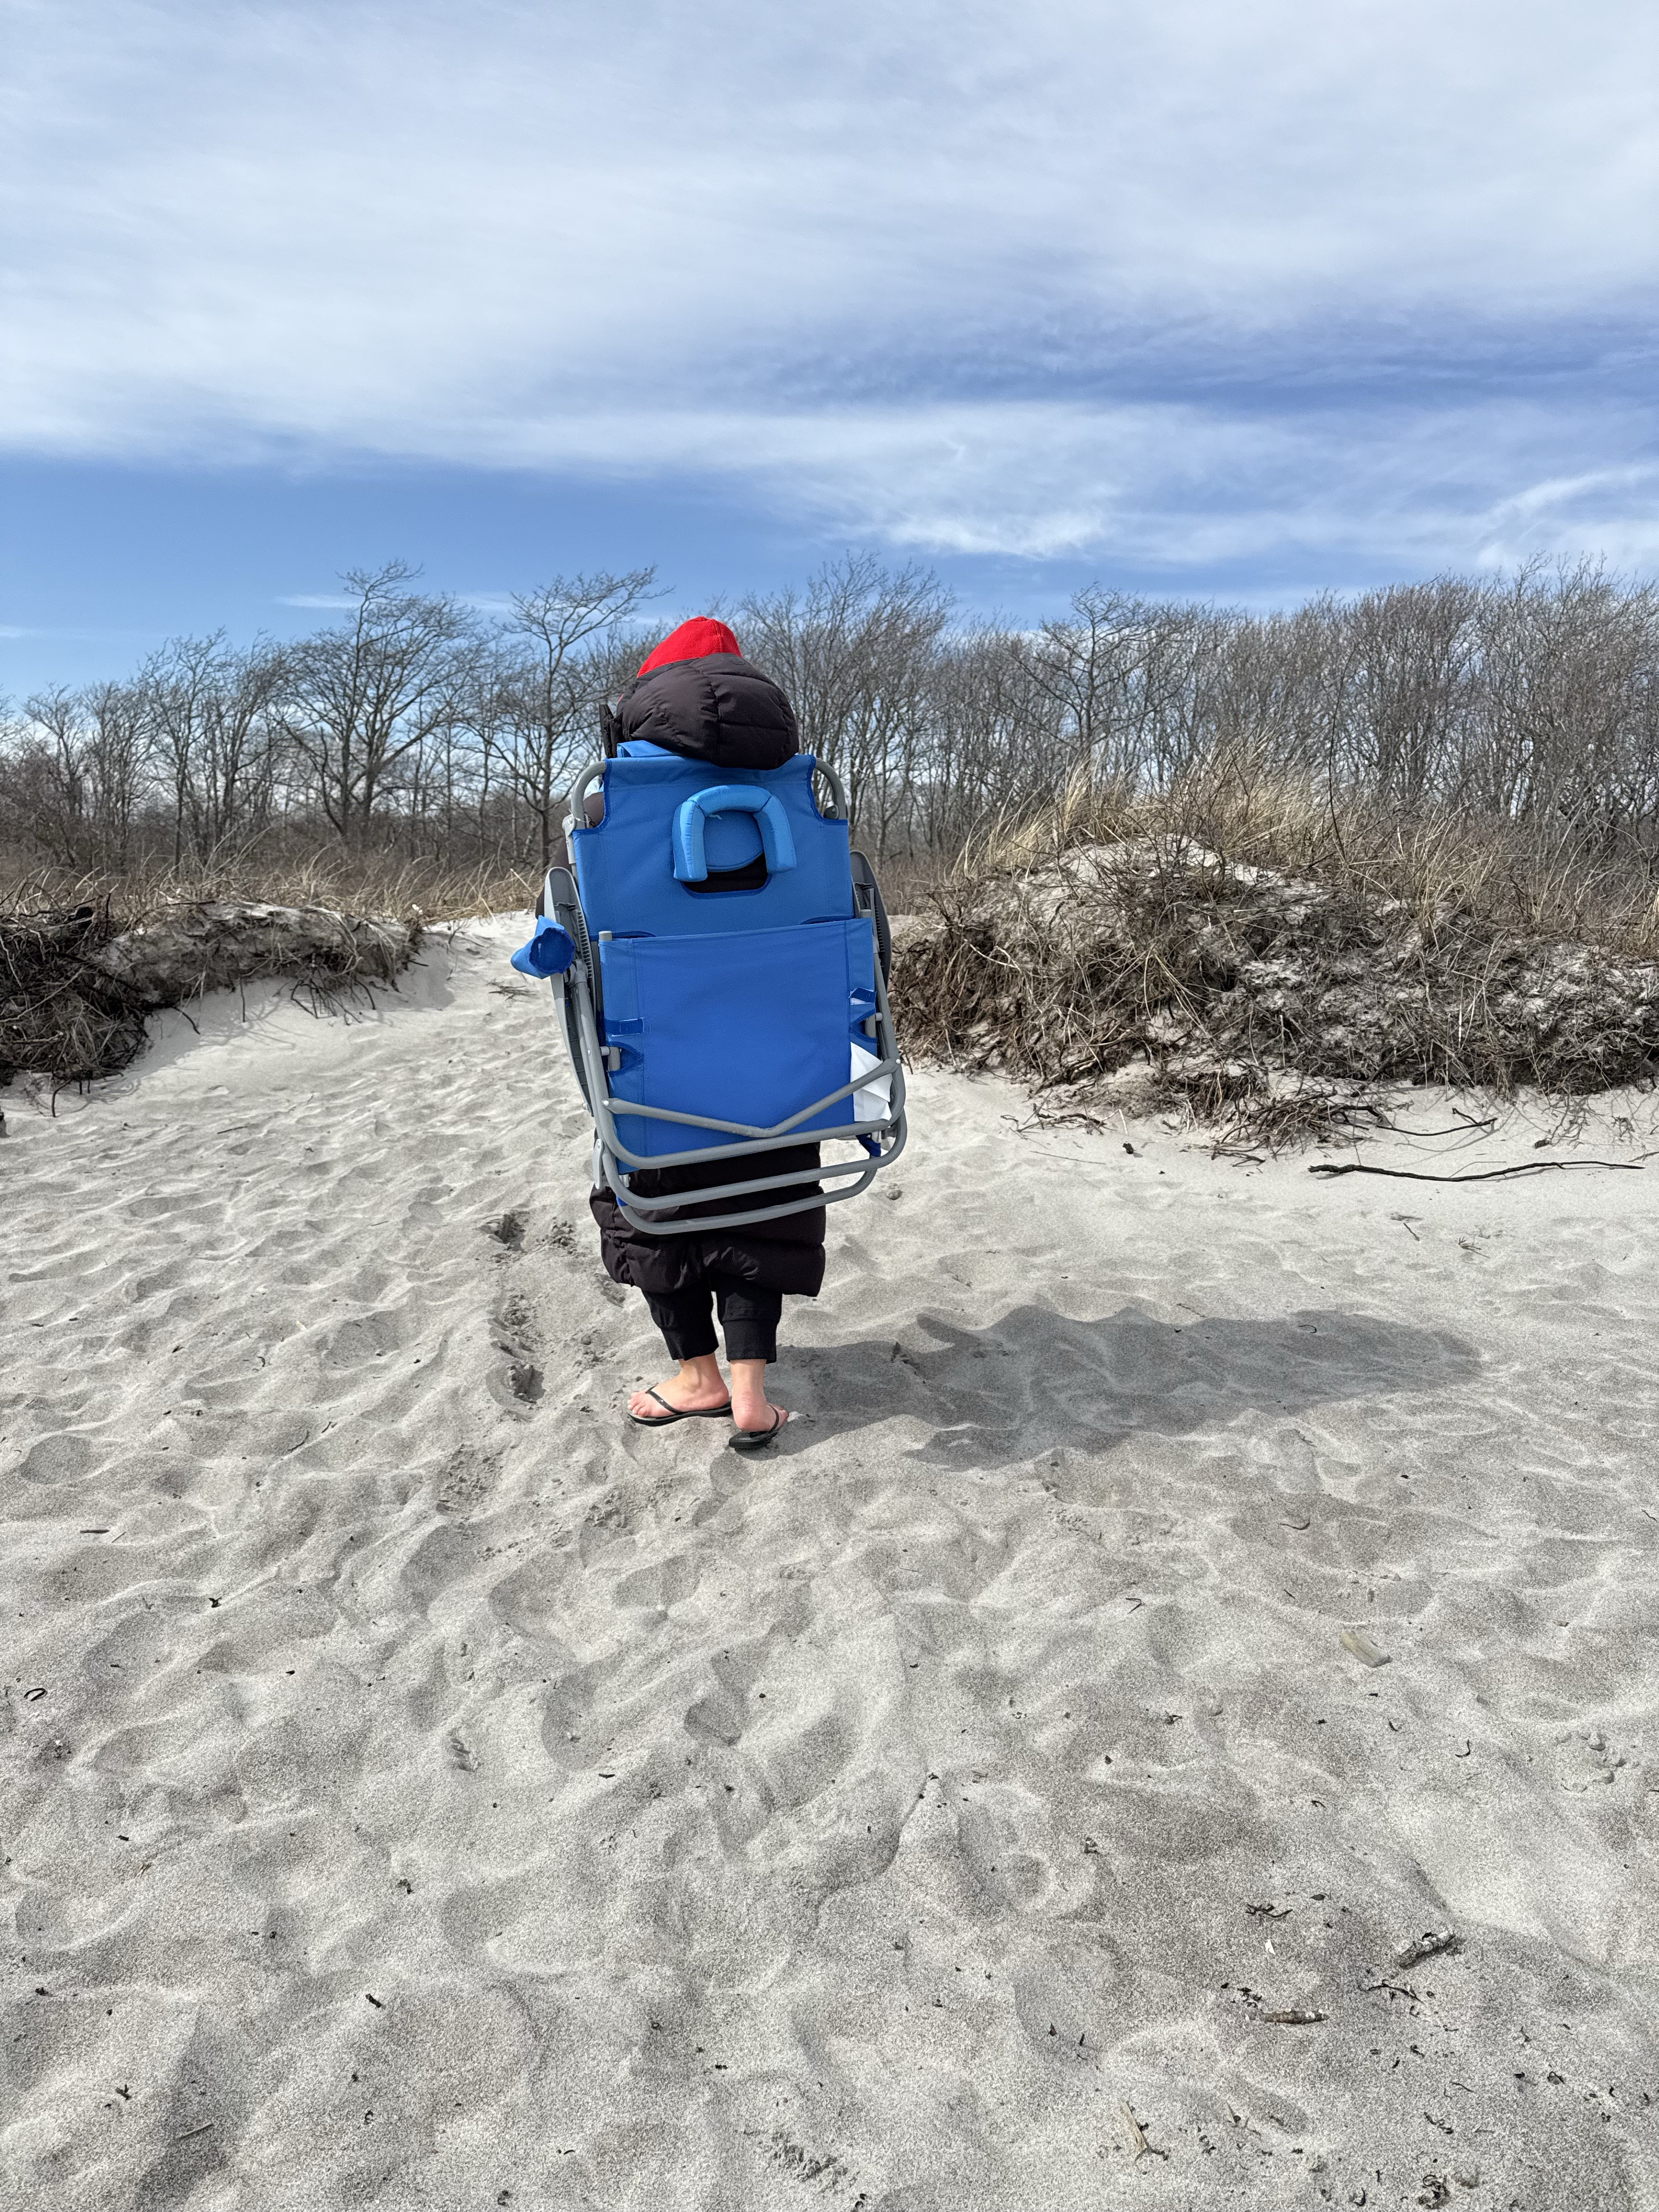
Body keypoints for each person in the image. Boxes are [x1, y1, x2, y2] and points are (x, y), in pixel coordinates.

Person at [588, 618, 824, 1452]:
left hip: (660, 1059)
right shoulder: (802, 794)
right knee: (768, 1197)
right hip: (788, 1062)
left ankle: (698, 1377)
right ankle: (752, 1391)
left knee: (647, 1198)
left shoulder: (618, 800)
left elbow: (581, 934)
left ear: (647, 699)